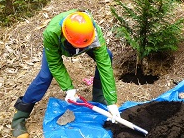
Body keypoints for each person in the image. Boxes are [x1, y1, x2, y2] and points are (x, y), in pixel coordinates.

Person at [11, 9, 120, 138]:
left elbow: (104, 64)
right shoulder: (51, 33)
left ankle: (99, 98)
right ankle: (19, 118)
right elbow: (55, 64)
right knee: (45, 76)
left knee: (107, 55)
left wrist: (112, 102)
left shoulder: (92, 29)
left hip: (85, 43)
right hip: (60, 44)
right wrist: (69, 89)